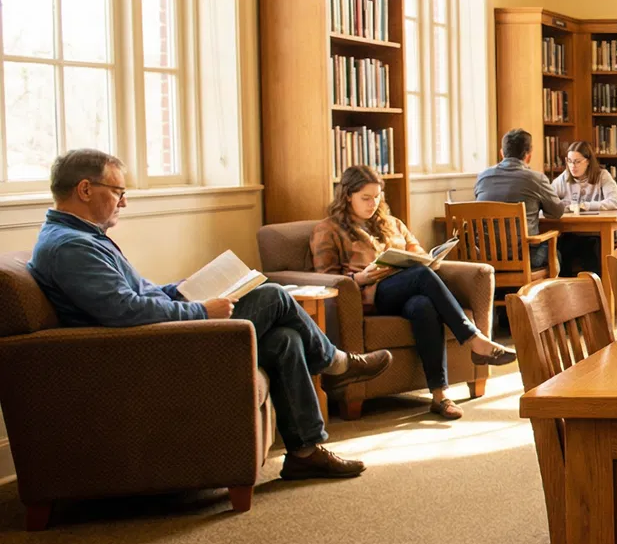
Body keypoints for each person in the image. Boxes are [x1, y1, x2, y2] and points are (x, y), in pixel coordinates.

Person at [28, 149, 387, 480]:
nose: (124, 200)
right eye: (117, 190)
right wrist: (200, 308)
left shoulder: (82, 237)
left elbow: (137, 294)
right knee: (274, 296)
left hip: (154, 337)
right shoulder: (72, 246)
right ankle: (336, 364)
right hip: (147, 353)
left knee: (284, 339)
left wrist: (184, 288)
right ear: (85, 189)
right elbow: (124, 311)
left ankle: (305, 452)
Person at [311, 165, 518, 419]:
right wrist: (359, 277)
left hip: (407, 290)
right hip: (370, 296)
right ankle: (475, 340)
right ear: (347, 196)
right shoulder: (328, 229)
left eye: (377, 196)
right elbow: (324, 279)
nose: (372, 203)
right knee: (421, 277)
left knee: (424, 306)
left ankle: (440, 396)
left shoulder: (392, 224)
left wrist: (429, 260)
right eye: (365, 198)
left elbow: (418, 254)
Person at [475, 128, 564, 271]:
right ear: (528, 156)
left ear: (502, 153)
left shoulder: (483, 177)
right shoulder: (536, 178)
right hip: (525, 256)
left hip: (487, 256)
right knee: (557, 252)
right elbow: (557, 212)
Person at [550, 142, 617, 275]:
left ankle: (598, 289)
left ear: (588, 161)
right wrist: (567, 207)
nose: (573, 166)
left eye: (577, 161)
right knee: (561, 248)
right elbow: (549, 202)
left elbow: (615, 202)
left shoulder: (602, 175)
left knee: (591, 249)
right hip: (570, 232)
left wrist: (586, 206)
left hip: (596, 233)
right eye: (569, 161)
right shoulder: (563, 179)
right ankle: (566, 289)